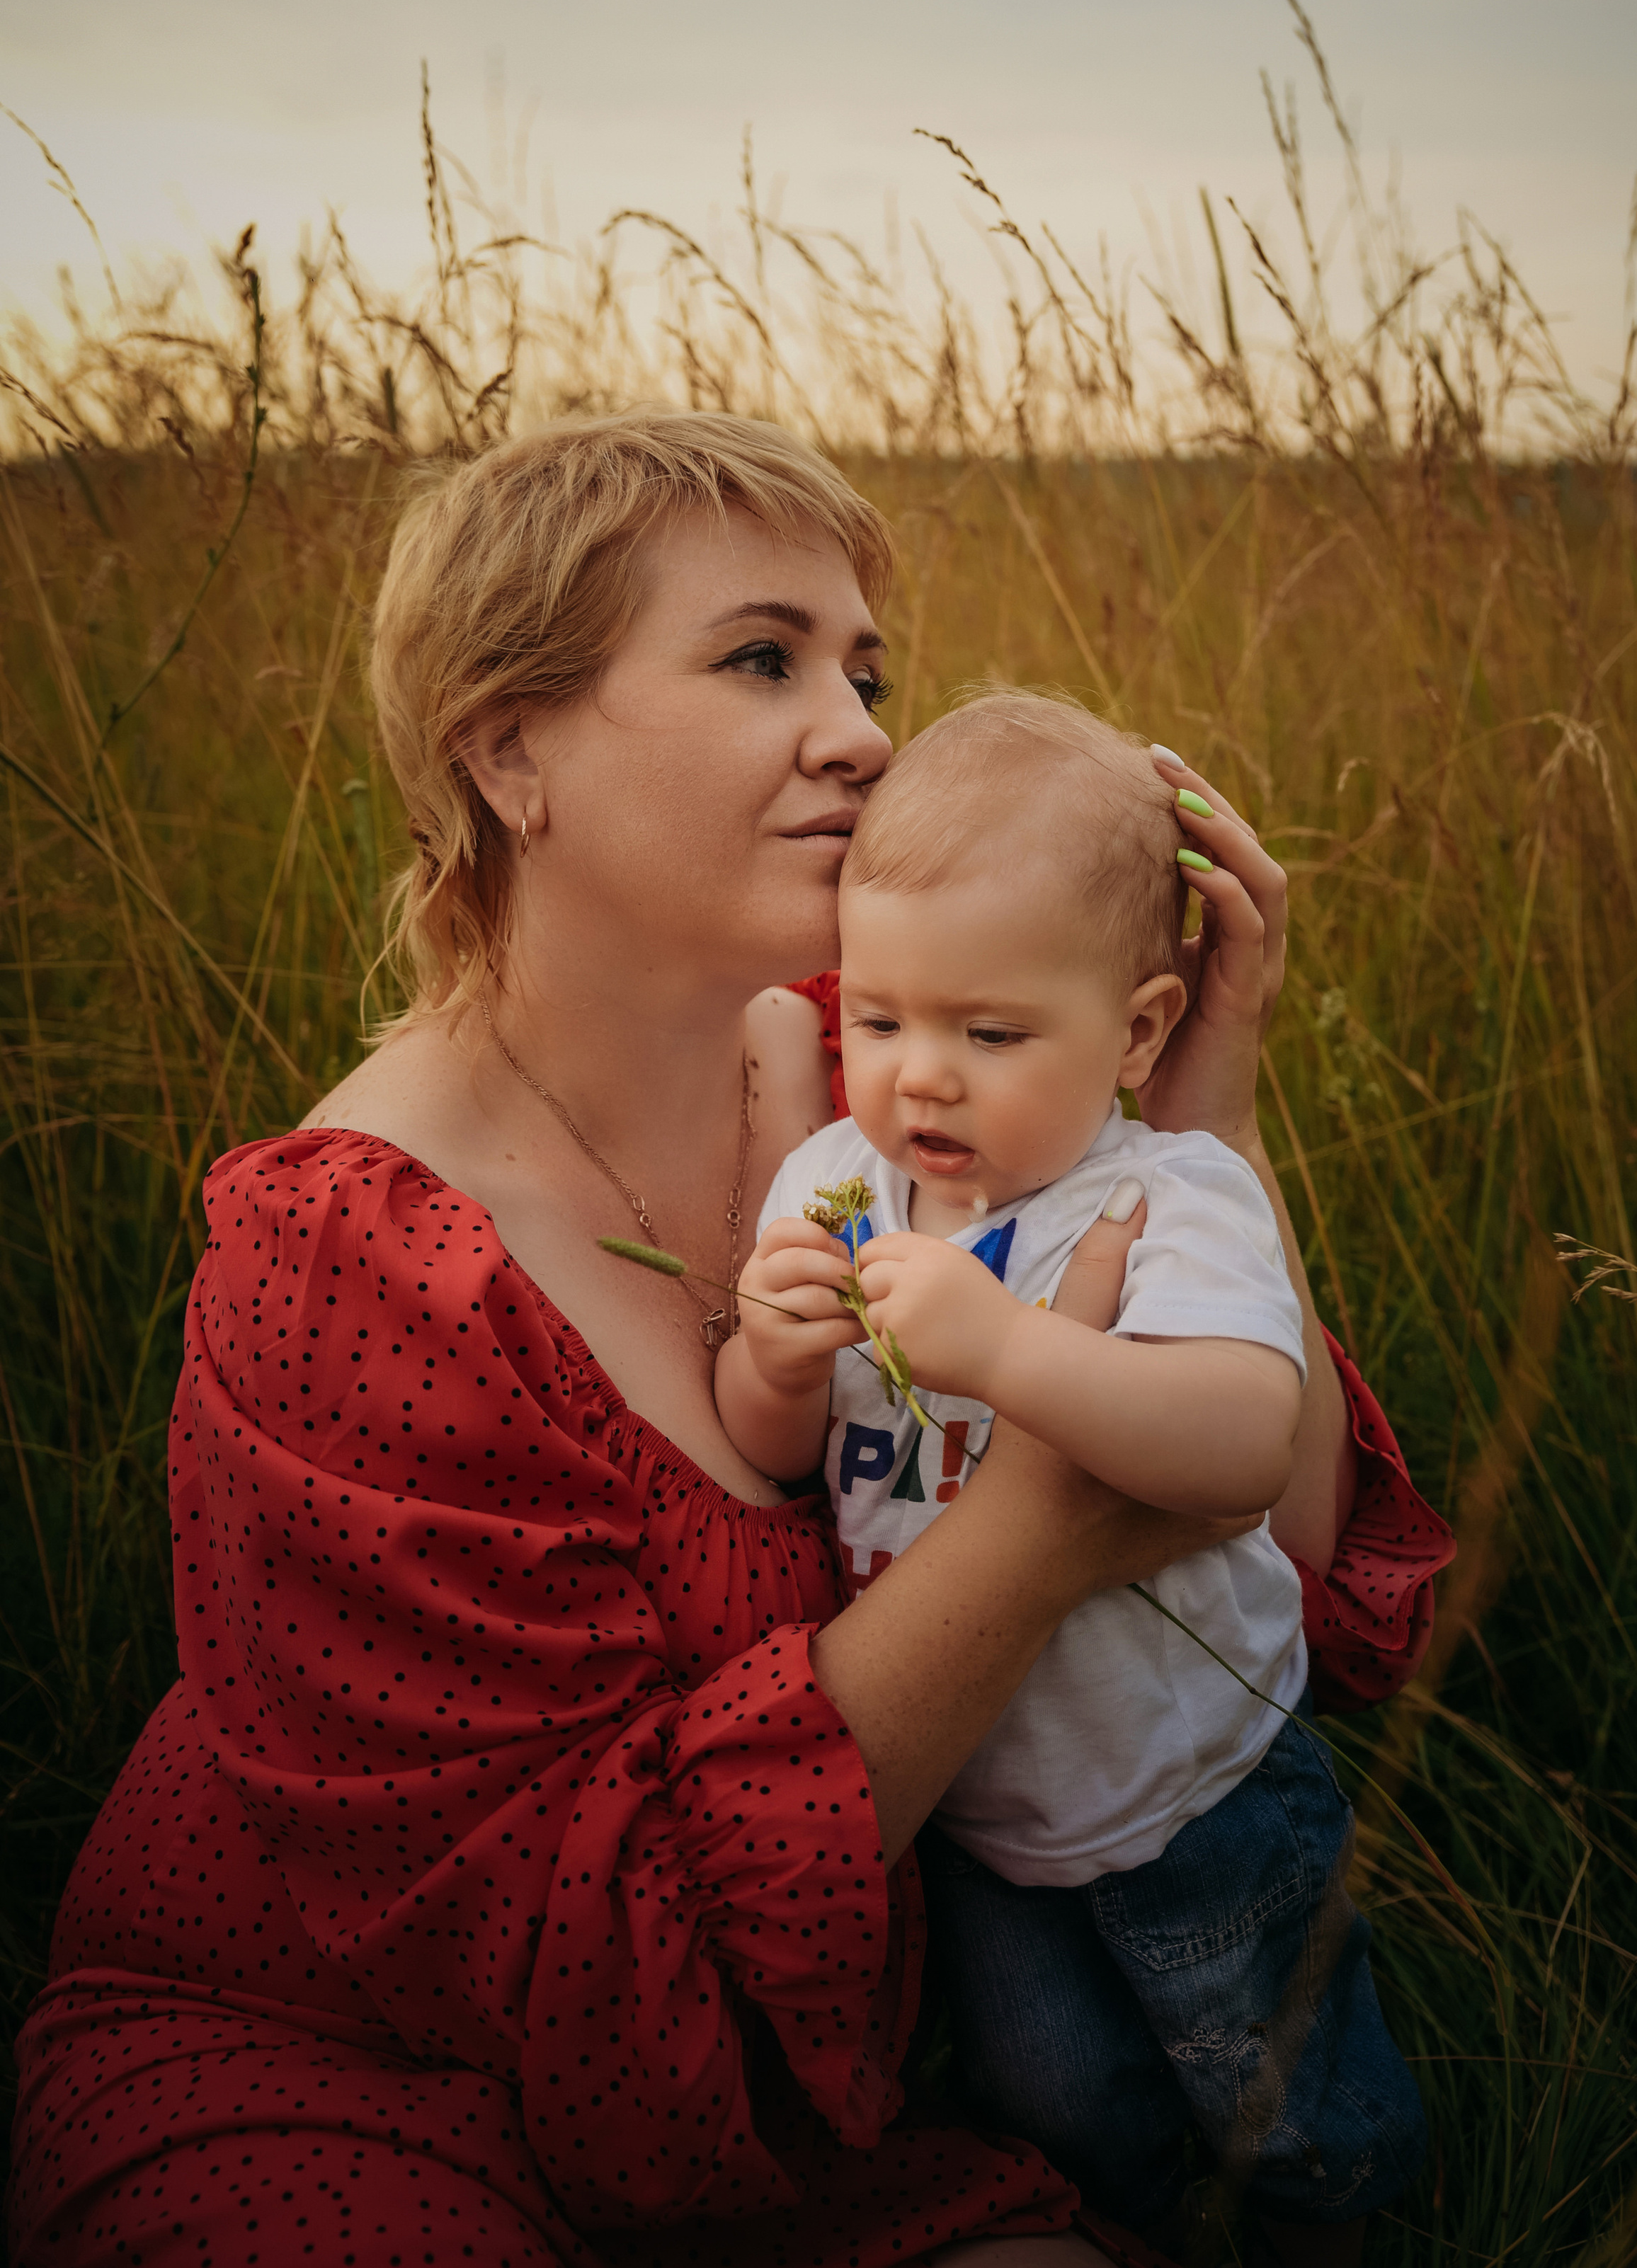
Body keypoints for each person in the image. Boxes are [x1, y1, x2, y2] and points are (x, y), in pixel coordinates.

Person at [6, 415, 1452, 2268]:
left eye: (867, 668)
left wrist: (1201, 1132)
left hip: (799, 2085)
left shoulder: (910, 1059)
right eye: (762, 657)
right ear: (508, 747)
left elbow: (1299, 1554)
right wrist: (1040, 1520)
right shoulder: (339, 1260)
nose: (859, 728)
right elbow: (574, 1974)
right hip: (354, 2068)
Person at [716, 692, 1427, 2255]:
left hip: (1195, 1785)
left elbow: (1244, 1441)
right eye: (884, 1017)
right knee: (1063, 2101)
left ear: (1142, 1030)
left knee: (1282, 2097)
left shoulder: (1170, 1192)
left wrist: (1010, 1354)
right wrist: (768, 1359)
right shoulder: (832, 1178)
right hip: (984, 1814)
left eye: (991, 1032)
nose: (922, 1079)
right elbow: (775, 1457)